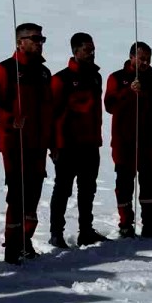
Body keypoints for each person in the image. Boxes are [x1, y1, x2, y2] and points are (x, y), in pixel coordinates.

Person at [0, 22, 54, 264]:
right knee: (17, 196)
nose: (39, 42)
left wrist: (52, 141)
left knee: (33, 196)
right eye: (34, 38)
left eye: (41, 38)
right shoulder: (5, 69)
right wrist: (10, 120)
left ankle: (26, 241)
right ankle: (12, 246)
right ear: (20, 41)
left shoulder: (44, 73)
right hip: (16, 144)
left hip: (39, 144)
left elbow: (49, 110)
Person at [49, 32, 109, 247]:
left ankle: (86, 230)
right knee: (63, 189)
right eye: (87, 50)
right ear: (75, 51)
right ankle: (56, 233)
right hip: (67, 145)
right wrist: (53, 144)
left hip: (90, 143)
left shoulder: (95, 76)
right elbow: (51, 114)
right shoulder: (61, 79)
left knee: (88, 189)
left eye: (93, 49)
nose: (92, 53)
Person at [105, 41, 152, 238]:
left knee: (150, 183)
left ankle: (149, 222)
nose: (145, 62)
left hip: (150, 142)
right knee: (124, 183)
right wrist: (129, 92)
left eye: (148, 58)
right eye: (141, 58)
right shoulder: (117, 78)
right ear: (132, 57)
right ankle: (125, 223)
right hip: (125, 141)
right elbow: (110, 105)